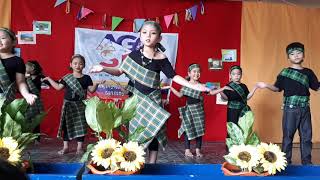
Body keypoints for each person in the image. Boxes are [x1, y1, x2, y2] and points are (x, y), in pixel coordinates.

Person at [90, 21, 209, 163]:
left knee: (154, 133)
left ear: (159, 38)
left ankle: (152, 165)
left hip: (154, 99)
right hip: (137, 101)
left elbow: (173, 76)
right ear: (140, 36)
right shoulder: (133, 55)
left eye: (153, 33)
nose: (148, 36)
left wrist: (194, 86)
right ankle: (134, 164)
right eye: (144, 32)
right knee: (135, 133)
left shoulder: (161, 58)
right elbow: (119, 71)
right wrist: (102, 68)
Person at [257, 42, 319, 165]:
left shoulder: (309, 72)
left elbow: (316, 87)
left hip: (305, 108)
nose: (296, 56)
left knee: (307, 137)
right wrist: (266, 85)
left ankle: (307, 163)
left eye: (299, 53)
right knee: (288, 137)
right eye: (292, 54)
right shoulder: (285, 73)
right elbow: (277, 88)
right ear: (288, 57)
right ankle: (285, 163)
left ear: (303, 55)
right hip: (290, 109)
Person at [43, 54, 103, 155]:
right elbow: (58, 87)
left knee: (82, 126)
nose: (78, 66)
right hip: (68, 106)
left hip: (81, 105)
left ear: (84, 65)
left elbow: (91, 91)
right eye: (75, 63)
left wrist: (96, 84)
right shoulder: (67, 78)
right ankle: (65, 147)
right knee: (66, 126)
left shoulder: (87, 78)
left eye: (80, 64)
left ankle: (79, 148)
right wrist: (49, 79)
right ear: (70, 65)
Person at [170, 63, 231, 158]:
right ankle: (187, 150)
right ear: (189, 73)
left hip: (199, 111)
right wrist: (170, 87)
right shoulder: (185, 85)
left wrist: (222, 88)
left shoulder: (204, 85)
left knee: (200, 130)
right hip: (189, 110)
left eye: (198, 72)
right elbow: (179, 95)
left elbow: (211, 92)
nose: (197, 73)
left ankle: (198, 150)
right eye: (194, 71)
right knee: (187, 129)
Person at [0, 27, 37, 105]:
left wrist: (27, 95)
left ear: (13, 42)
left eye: (3, 38)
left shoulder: (17, 61)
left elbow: (20, 82)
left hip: (6, 99)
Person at [25, 60, 46, 143]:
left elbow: (36, 90)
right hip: (27, 101)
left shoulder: (40, 78)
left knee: (36, 120)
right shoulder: (25, 78)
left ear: (33, 68)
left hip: (36, 102)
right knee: (27, 119)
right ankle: (27, 138)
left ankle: (36, 139)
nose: (24, 68)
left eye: (26, 67)